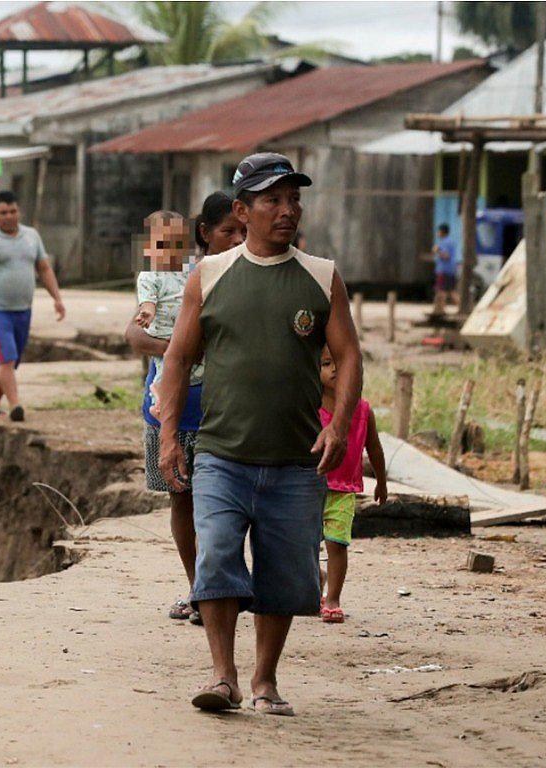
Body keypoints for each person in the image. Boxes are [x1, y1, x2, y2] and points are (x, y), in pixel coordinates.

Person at [156, 152, 361, 717]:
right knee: (217, 557)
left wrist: (340, 426)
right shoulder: (210, 275)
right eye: (273, 199)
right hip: (222, 454)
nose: (287, 210)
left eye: (293, 198)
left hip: (297, 460)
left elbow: (348, 358)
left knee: (284, 572)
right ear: (243, 211)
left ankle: (265, 678)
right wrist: (170, 435)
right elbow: (176, 360)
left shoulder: (322, 277)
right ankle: (223, 677)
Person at [127, 194, 245, 624]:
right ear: (204, 234)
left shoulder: (248, 275)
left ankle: (217, 589)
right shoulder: (179, 276)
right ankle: (200, 589)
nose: (236, 239)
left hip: (223, 409)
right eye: (228, 231)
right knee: (183, 500)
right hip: (171, 406)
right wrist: (181, 352)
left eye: (242, 232)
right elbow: (135, 336)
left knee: (221, 504)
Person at [0, 190, 65, 422]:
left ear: (19, 211)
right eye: (3, 213)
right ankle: (16, 405)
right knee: (6, 357)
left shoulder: (31, 236)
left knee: (10, 360)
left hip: (23, 310)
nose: (9, 216)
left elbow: (44, 269)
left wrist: (57, 298)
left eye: (13, 211)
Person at [316, 346, 386, 624]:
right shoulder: (312, 407)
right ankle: (316, 579)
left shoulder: (363, 411)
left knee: (337, 544)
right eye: (326, 363)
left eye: (340, 364)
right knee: (305, 546)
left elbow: (375, 449)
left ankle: (333, 598)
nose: (334, 369)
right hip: (311, 489)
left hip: (343, 490)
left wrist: (381, 481)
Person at [429, 223, 459, 314]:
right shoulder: (450, 241)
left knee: (441, 291)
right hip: (451, 270)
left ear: (442, 232)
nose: (437, 233)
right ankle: (460, 307)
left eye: (438, 231)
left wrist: (437, 250)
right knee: (451, 291)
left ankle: (440, 310)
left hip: (444, 270)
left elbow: (446, 256)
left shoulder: (444, 242)